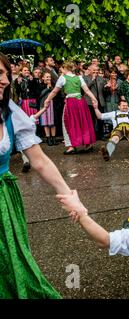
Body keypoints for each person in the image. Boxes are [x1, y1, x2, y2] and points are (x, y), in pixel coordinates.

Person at [0, 53, 73, 298]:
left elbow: (39, 160)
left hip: (4, 200)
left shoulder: (10, 113)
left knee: (14, 262)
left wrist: (69, 195)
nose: (2, 80)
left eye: (3, 74)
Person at [44, 61, 98, 155]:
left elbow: (54, 92)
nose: (61, 70)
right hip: (81, 102)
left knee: (68, 122)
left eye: (62, 68)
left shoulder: (62, 78)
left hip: (71, 103)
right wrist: (94, 99)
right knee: (83, 121)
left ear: (66, 68)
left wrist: (47, 100)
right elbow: (87, 90)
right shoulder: (79, 77)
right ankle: (87, 144)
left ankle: (71, 146)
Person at [94, 99, 129, 166]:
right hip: (118, 129)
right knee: (114, 138)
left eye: (126, 105)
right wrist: (96, 108)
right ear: (119, 106)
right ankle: (107, 154)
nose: (125, 107)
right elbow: (100, 116)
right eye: (123, 105)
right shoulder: (113, 113)